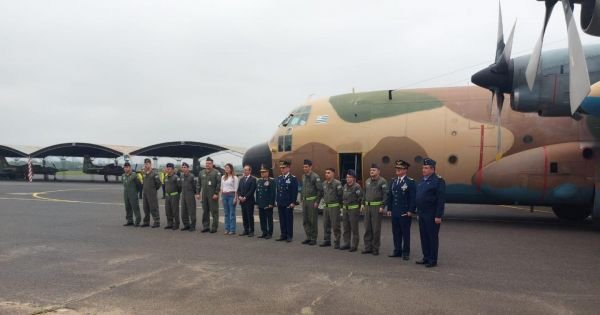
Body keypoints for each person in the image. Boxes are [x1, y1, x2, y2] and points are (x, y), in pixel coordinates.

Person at [416, 158, 446, 268]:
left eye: (426, 168)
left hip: (432, 214)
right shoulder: (422, 180)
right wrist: (418, 213)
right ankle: (426, 257)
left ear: (432, 169)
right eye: (423, 167)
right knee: (423, 236)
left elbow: (440, 199)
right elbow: (419, 197)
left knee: (432, 237)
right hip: (422, 213)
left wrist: (438, 215)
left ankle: (433, 259)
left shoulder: (438, 181)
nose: (423, 169)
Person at [386, 160, 416, 260]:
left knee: (405, 233)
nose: (397, 170)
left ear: (405, 170)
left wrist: (411, 210)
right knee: (396, 232)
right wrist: (389, 208)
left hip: (404, 212)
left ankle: (406, 252)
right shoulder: (393, 181)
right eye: (397, 168)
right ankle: (397, 250)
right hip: (395, 212)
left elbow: (413, 198)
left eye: (400, 169)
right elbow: (390, 196)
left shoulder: (410, 182)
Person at [362, 163, 388, 256]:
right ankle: (367, 247)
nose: (371, 172)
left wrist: (382, 206)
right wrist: (362, 203)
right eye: (370, 170)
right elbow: (364, 193)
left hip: (377, 208)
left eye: (373, 170)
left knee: (376, 229)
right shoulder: (367, 181)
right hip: (367, 207)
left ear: (378, 171)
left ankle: (375, 248)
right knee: (367, 228)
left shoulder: (382, 181)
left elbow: (385, 195)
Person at [196, 157, 221, 233]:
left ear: (212, 164)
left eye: (209, 163)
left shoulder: (216, 172)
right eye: (206, 163)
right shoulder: (201, 172)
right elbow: (198, 184)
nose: (207, 165)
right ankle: (206, 226)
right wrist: (197, 193)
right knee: (205, 211)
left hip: (213, 194)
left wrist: (216, 193)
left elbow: (219, 183)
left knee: (214, 211)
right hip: (204, 194)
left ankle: (214, 227)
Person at [301, 159, 323, 246]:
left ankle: (314, 238)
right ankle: (308, 237)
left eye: (306, 167)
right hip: (305, 200)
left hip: (312, 201)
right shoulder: (303, 176)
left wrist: (317, 201)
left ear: (310, 167)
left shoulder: (315, 176)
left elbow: (320, 190)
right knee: (305, 220)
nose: (305, 168)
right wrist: (302, 199)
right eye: (304, 167)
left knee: (312, 220)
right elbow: (303, 189)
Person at [320, 168, 343, 248]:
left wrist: (340, 206)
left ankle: (337, 242)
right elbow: (322, 194)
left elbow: (340, 195)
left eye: (328, 173)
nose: (326, 174)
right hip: (326, 207)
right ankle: (327, 240)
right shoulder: (324, 183)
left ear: (333, 174)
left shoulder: (337, 183)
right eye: (326, 172)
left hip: (334, 207)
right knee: (326, 225)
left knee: (335, 225)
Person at [276, 160, 298, 243]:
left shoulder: (293, 178)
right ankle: (283, 235)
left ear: (288, 168)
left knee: (288, 220)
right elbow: (278, 191)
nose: (282, 169)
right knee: (282, 219)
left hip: (288, 203)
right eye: (281, 168)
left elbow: (294, 191)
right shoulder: (279, 178)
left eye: (283, 168)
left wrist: (293, 202)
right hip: (281, 202)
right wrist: (277, 200)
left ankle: (289, 236)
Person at [340, 169, 362, 252]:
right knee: (346, 227)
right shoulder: (345, 186)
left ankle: (354, 245)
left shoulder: (357, 187)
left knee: (354, 228)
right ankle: (346, 243)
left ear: (353, 178)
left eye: (349, 177)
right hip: (345, 210)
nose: (348, 179)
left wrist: (359, 208)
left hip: (353, 210)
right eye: (347, 177)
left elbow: (360, 198)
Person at [255, 164, 276, 239]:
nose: (262, 173)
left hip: (268, 203)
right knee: (262, 219)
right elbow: (257, 193)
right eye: (261, 172)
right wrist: (257, 203)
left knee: (269, 219)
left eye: (264, 172)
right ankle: (264, 232)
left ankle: (269, 233)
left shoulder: (271, 181)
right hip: (261, 203)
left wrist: (271, 203)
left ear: (267, 172)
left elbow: (272, 193)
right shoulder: (259, 181)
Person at [141, 158, 162, 228]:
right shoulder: (144, 173)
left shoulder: (154, 173)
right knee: (145, 208)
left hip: (152, 194)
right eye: (145, 164)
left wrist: (153, 190)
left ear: (150, 164)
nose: (146, 165)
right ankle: (146, 222)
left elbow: (158, 184)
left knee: (154, 207)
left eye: (147, 164)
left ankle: (157, 221)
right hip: (145, 193)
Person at [238, 165, 257, 236]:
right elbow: (239, 190)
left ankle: (251, 231)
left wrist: (245, 197)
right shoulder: (242, 179)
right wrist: (239, 196)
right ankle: (245, 230)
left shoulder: (253, 179)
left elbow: (252, 190)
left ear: (250, 171)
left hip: (249, 201)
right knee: (244, 216)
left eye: (246, 170)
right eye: (244, 170)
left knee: (250, 216)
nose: (245, 171)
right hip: (242, 201)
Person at [122, 162, 142, 226]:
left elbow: (139, 185)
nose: (126, 168)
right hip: (126, 194)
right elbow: (124, 184)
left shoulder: (134, 175)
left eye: (127, 167)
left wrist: (136, 192)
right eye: (125, 167)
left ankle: (137, 221)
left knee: (135, 208)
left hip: (133, 193)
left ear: (130, 168)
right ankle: (129, 220)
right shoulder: (123, 175)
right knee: (127, 207)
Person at [221, 163, 239, 235]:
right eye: (225, 168)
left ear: (231, 169)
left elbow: (236, 189)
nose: (226, 169)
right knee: (226, 213)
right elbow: (221, 188)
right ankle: (226, 228)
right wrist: (221, 197)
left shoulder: (234, 178)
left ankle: (232, 229)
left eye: (228, 168)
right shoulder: (223, 177)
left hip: (231, 195)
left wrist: (235, 198)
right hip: (224, 195)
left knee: (232, 213)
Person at [179, 162, 197, 231]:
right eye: (182, 167)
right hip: (183, 195)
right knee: (183, 211)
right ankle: (186, 225)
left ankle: (193, 226)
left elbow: (195, 186)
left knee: (191, 211)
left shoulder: (192, 176)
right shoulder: (181, 176)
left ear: (188, 168)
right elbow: (180, 185)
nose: (183, 168)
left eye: (185, 167)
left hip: (190, 195)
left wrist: (195, 193)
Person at [163, 163, 181, 230]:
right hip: (167, 196)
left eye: (169, 168)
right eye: (167, 168)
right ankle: (170, 223)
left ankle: (176, 224)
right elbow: (164, 186)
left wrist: (177, 194)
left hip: (174, 196)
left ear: (173, 169)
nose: (168, 169)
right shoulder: (165, 177)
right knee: (168, 211)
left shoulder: (176, 177)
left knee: (175, 211)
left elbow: (179, 187)